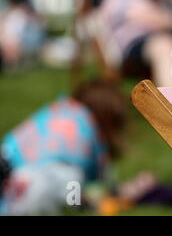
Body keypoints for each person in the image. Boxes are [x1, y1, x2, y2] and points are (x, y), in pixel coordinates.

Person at [0, 80, 127, 215]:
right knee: (72, 180)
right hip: (40, 180)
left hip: (9, 161)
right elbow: (102, 173)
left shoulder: (59, 108)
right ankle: (77, 204)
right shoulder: (92, 128)